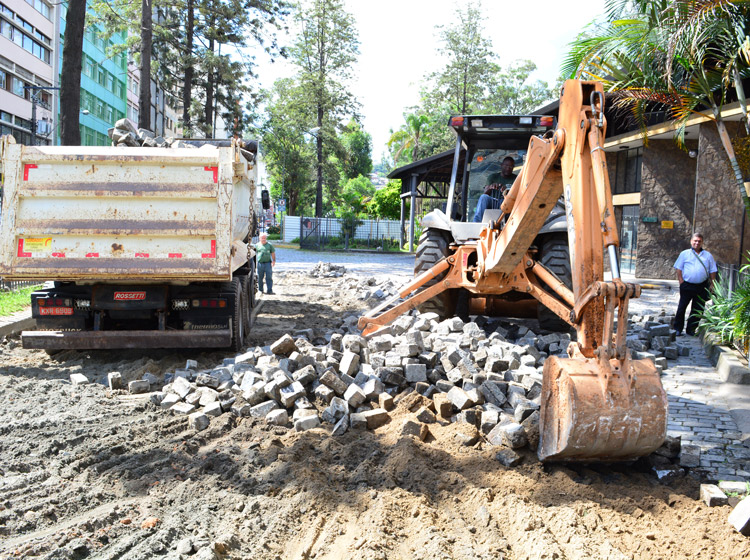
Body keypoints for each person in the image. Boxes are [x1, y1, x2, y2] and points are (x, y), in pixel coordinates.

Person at [673, 232, 717, 336]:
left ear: (702, 242)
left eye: (699, 241)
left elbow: (713, 270)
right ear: (691, 241)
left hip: (702, 286)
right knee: (682, 308)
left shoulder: (708, 255)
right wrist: (681, 282)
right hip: (687, 285)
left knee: (697, 309)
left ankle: (691, 330)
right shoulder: (684, 254)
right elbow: (679, 268)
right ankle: (678, 329)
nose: (697, 243)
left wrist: (712, 283)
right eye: (695, 241)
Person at [473, 156, 517, 222]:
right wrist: (491, 187)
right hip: (494, 202)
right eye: (506, 166)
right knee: (483, 197)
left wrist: (508, 191)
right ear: (501, 165)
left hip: (507, 203)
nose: (508, 168)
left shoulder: (516, 179)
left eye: (510, 166)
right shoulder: (493, 177)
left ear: (513, 167)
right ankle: (477, 223)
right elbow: (485, 193)